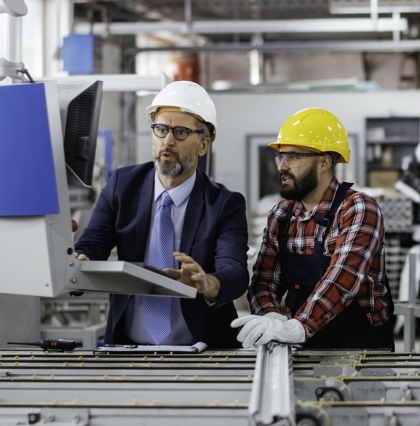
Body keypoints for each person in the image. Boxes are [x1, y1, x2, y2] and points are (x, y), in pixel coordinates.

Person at [75, 80, 250, 348]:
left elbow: (235, 271)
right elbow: (93, 244)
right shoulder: (123, 185)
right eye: (160, 129)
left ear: (203, 145)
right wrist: (78, 259)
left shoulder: (224, 204)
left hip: (201, 351)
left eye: (180, 132)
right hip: (128, 348)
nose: (167, 141)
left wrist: (208, 282)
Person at [231, 107, 395, 350]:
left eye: (294, 157)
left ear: (325, 162)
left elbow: (342, 278)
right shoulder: (281, 215)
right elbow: (263, 281)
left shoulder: (358, 208)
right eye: (281, 156)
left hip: (361, 347)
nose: (282, 167)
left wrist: (298, 327)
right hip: (303, 346)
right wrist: (272, 317)